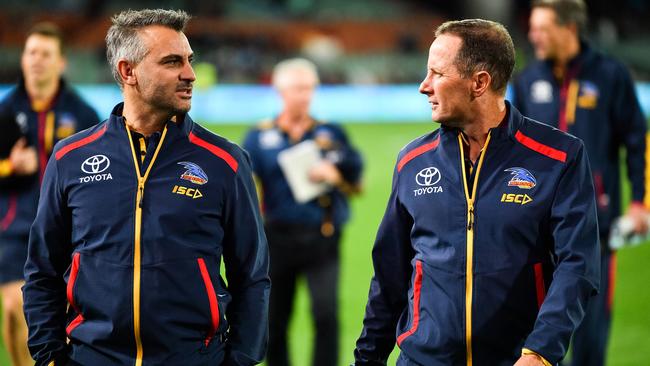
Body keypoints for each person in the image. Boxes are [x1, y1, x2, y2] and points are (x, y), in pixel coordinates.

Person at [23, 9, 270, 366]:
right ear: (128, 72)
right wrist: (49, 357)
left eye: (189, 60)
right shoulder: (70, 158)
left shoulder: (226, 162)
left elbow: (253, 277)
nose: (190, 74)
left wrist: (240, 360)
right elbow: (42, 271)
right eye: (172, 62)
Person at [353, 19, 600, 366]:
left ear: (479, 83)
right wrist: (367, 359)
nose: (424, 86)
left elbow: (578, 264)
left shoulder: (559, 157)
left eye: (437, 74)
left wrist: (541, 351)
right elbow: (389, 276)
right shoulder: (412, 161)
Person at [512, 1, 649, 365]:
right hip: (535, 231)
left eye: (541, 28)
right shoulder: (527, 80)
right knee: (532, 346)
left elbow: (639, 142)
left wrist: (640, 202)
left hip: (595, 231)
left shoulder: (611, 76)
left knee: (589, 348)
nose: (532, 36)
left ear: (569, 28)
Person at [243, 58, 363, 366]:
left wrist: (336, 176)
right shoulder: (258, 137)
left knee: (325, 315)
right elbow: (245, 190)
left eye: (309, 88)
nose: (304, 95)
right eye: (297, 88)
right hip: (276, 238)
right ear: (280, 90)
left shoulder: (332, 133)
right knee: (275, 318)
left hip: (322, 236)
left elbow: (358, 185)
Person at [0, 22, 100, 366]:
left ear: (61, 63)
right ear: (23, 59)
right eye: (31, 53)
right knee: (18, 305)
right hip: (14, 230)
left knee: (59, 315)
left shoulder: (84, 114)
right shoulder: (4, 111)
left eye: (45, 54)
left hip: (69, 229)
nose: (37, 60)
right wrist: (9, 167)